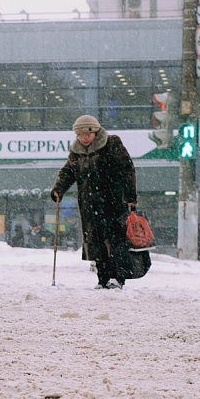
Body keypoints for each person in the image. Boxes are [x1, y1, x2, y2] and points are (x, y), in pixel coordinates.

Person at [50, 115, 137, 289]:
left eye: (86, 135)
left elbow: (127, 170)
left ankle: (117, 277)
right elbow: (68, 171)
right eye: (80, 135)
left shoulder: (112, 143)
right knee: (96, 242)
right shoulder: (76, 150)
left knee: (115, 240)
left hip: (112, 202)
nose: (83, 138)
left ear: (95, 132)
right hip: (89, 205)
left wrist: (129, 197)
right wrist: (58, 188)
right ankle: (102, 278)